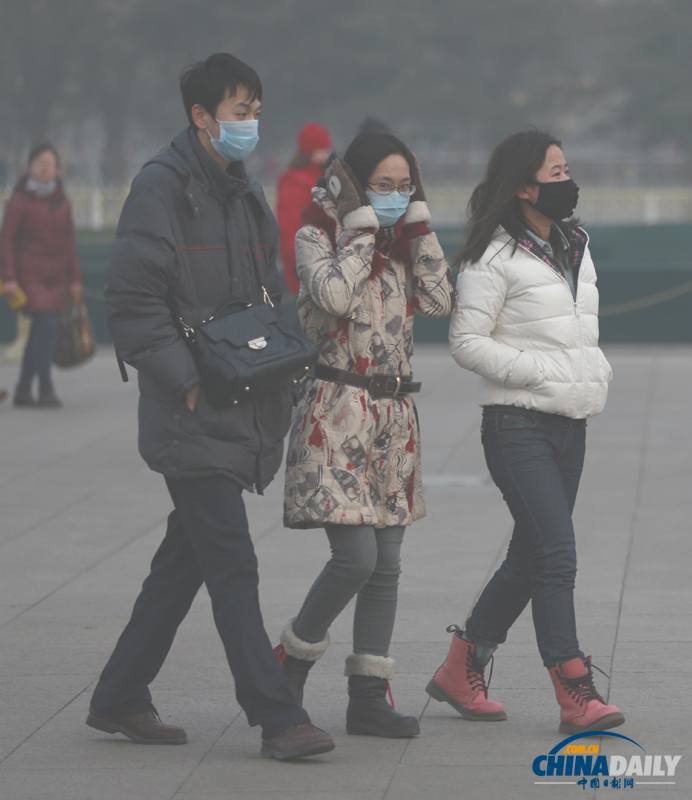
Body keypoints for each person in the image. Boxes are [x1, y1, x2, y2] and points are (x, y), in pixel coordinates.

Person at [87, 52, 334, 762]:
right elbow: (131, 304)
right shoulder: (160, 190)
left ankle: (118, 694)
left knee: (185, 561)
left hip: (243, 392)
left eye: (255, 110)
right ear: (200, 116)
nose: (250, 124)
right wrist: (185, 380)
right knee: (231, 561)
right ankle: (276, 714)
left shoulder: (243, 190)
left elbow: (266, 290)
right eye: (238, 111)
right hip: (190, 408)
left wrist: (282, 366)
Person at [426, 130, 625, 735]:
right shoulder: (493, 256)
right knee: (557, 553)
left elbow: (578, 331)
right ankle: (575, 690)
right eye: (555, 172)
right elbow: (465, 342)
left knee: (531, 552)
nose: (568, 182)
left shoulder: (575, 244)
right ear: (523, 185)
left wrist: (592, 371)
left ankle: (463, 666)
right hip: (516, 424)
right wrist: (539, 373)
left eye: (568, 170)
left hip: (572, 421)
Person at [278, 133, 456, 737]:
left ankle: (367, 697)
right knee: (353, 558)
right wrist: (358, 228)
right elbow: (330, 295)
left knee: (387, 564)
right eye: (382, 185)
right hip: (336, 409)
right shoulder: (316, 237)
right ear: (352, 183)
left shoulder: (404, 244)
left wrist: (419, 225)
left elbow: (438, 299)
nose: (395, 196)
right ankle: (291, 661)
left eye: (405, 185)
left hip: (393, 419)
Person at [0, 145, 82, 408]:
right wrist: (9, 276)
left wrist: (75, 279)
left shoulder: (62, 200)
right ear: (30, 167)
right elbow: (7, 239)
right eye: (38, 162)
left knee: (40, 333)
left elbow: (70, 241)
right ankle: (45, 386)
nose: (43, 167)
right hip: (29, 276)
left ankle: (23, 389)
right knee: (46, 325)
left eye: (48, 163)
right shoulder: (20, 200)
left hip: (57, 277)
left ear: (57, 168)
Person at [276, 122, 332, 295]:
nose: (327, 154)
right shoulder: (295, 185)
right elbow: (289, 231)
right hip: (308, 276)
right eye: (322, 149)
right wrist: (299, 267)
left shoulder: (324, 180)